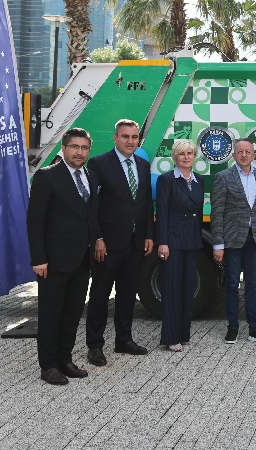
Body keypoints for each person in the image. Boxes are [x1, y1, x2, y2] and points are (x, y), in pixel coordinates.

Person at [27, 128, 100, 385]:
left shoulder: (91, 177)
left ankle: (65, 359)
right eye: (75, 147)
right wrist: (38, 258)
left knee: (72, 314)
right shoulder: (47, 176)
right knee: (51, 315)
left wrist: (97, 240)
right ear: (64, 147)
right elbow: (35, 221)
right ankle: (48, 366)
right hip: (54, 261)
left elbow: (90, 216)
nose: (79, 152)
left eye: (84, 148)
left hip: (82, 260)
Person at [85, 119, 152, 367]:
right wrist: (97, 238)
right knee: (100, 295)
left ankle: (123, 339)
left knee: (127, 295)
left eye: (134, 137)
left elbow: (145, 203)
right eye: (125, 136)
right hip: (107, 245)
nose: (130, 141)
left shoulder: (143, 165)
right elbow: (91, 205)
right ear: (115, 138)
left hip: (135, 243)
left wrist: (148, 234)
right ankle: (94, 345)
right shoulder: (99, 163)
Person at [211, 138, 256, 345]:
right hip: (232, 240)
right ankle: (233, 327)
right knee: (232, 284)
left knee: (253, 284)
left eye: (247, 152)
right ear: (234, 155)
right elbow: (217, 212)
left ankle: (255, 328)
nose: (244, 155)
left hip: (255, 240)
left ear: (253, 155)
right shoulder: (223, 177)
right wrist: (218, 244)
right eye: (240, 152)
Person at [155, 140, 204, 352]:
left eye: (190, 153)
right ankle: (171, 338)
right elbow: (162, 213)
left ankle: (184, 334)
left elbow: (198, 214)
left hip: (192, 243)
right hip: (173, 243)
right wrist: (163, 243)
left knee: (187, 290)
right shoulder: (166, 180)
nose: (186, 157)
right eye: (182, 153)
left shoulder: (199, 180)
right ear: (175, 157)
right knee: (172, 291)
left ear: (194, 156)